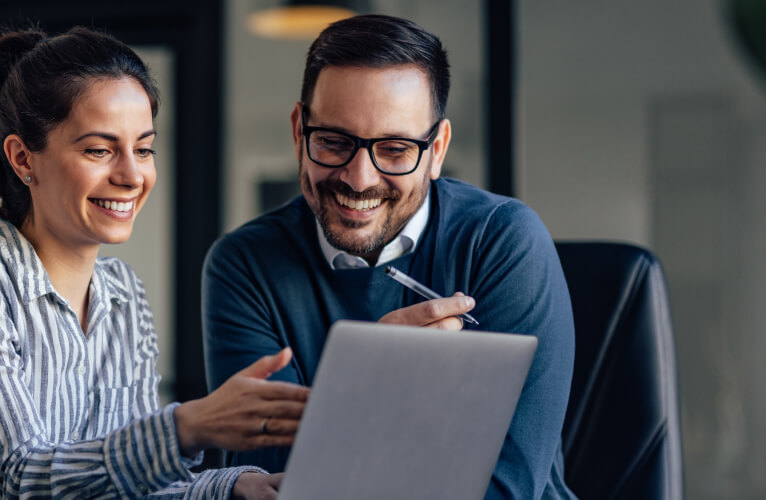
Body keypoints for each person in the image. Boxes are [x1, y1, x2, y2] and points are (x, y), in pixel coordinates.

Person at [0, 27, 309, 499]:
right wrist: (189, 426)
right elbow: (22, 474)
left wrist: (233, 487)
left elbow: (124, 484)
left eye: (144, 149)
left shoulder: (124, 294)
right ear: (23, 158)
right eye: (99, 150)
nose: (132, 175)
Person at [202, 14, 577, 500]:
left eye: (395, 149)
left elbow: (508, 488)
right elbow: (275, 484)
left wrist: (346, 429)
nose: (359, 179)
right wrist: (370, 381)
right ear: (299, 132)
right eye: (333, 142)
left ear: (436, 149)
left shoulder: (504, 242)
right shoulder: (244, 264)